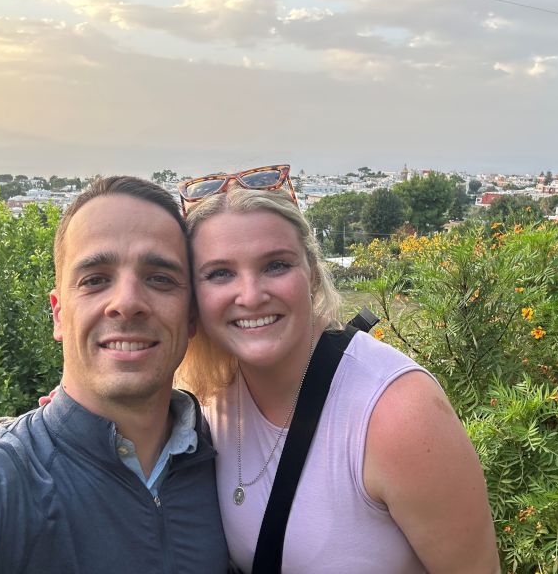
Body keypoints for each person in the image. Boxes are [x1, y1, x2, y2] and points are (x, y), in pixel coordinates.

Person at [175, 165, 500, 573]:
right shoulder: (212, 397)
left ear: (311, 271)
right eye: (220, 273)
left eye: (276, 265)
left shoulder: (397, 414)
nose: (251, 295)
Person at [0, 177, 228, 573]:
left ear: (191, 316)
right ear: (59, 314)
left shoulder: (231, 465)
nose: (126, 303)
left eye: (159, 278)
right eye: (95, 280)